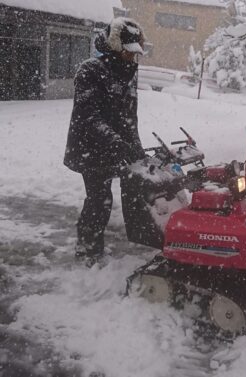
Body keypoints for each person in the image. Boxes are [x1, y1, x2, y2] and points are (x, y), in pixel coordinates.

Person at [64, 17, 146, 265]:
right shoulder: (90, 70)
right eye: (129, 52)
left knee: (115, 196)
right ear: (115, 46)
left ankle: (92, 244)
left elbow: (130, 116)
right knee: (99, 200)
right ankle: (88, 250)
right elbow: (88, 116)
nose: (133, 57)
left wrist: (137, 149)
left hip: (113, 147)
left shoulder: (129, 72)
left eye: (136, 53)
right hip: (89, 148)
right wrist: (119, 143)